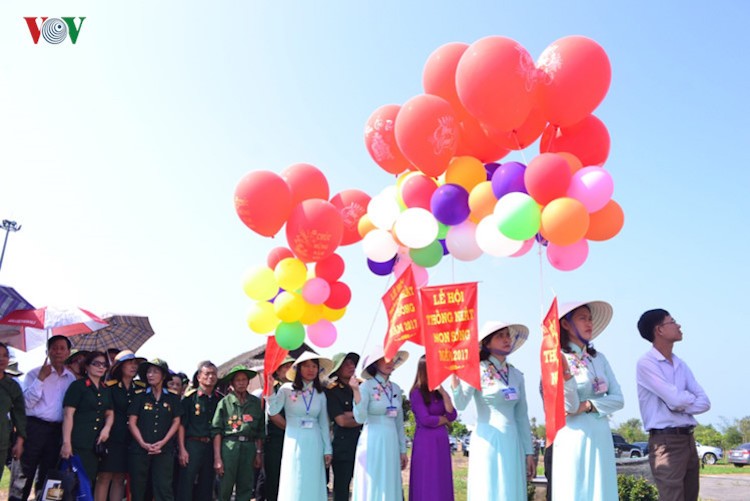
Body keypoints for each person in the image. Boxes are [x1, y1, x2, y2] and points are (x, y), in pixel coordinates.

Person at [451, 321, 535, 501]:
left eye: (508, 335)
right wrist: (455, 380)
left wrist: (529, 451)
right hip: (487, 439)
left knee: (510, 488)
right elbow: (461, 403)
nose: (506, 339)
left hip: (513, 440)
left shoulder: (516, 375)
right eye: (500, 336)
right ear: (487, 343)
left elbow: (522, 416)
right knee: (489, 488)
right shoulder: (475, 370)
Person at [552, 301, 623, 501]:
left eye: (590, 318)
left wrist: (590, 405)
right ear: (566, 324)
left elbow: (618, 399)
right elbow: (570, 407)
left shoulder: (599, 359)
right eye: (582, 318)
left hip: (601, 433)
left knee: (602, 489)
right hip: (573, 435)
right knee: (576, 488)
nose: (588, 323)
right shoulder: (557, 358)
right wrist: (566, 375)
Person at [636, 309, 710, 501]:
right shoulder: (647, 363)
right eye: (673, 321)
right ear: (659, 330)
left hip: (688, 439)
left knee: (690, 496)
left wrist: (679, 402)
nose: (678, 325)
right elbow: (675, 400)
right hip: (666, 442)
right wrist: (679, 400)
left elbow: (704, 402)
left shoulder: (680, 364)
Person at [10, 335, 76, 501]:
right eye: (54, 348)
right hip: (34, 427)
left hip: (56, 431)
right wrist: (41, 379)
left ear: (68, 352)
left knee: (49, 476)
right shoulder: (35, 373)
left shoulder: (71, 378)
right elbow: (26, 404)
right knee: (23, 475)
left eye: (62, 348)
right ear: (47, 351)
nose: (58, 352)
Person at [267, 351, 333, 501]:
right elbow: (273, 410)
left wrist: (327, 448)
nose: (311, 370)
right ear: (298, 369)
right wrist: (270, 390)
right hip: (294, 440)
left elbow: (324, 423)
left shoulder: (320, 394)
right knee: (295, 477)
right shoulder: (286, 389)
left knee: (313, 478)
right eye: (307, 366)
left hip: (315, 441)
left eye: (314, 366)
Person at [349, 345, 409, 501]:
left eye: (392, 358)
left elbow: (399, 422)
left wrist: (403, 450)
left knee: (390, 479)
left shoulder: (395, 388)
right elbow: (360, 418)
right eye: (385, 359)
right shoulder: (366, 386)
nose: (390, 362)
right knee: (373, 479)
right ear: (375, 363)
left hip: (391, 441)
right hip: (372, 440)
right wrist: (356, 391)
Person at [127, 359, 183, 501]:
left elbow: (176, 421)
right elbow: (132, 422)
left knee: (164, 488)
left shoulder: (172, 397)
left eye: (155, 372)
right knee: (138, 489)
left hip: (164, 451)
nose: (150, 375)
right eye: (148, 372)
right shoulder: (139, 396)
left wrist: (163, 442)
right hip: (140, 450)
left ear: (163, 376)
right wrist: (143, 443)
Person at [97, 350, 146, 501]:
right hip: (112, 436)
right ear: (119, 366)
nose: (133, 366)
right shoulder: (109, 387)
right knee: (105, 476)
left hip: (132, 438)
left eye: (135, 363)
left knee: (120, 477)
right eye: (129, 363)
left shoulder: (140, 387)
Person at [61, 351, 114, 485]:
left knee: (88, 482)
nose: (101, 367)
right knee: (72, 483)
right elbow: (68, 414)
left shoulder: (105, 389)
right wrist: (66, 442)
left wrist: (106, 429)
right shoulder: (78, 386)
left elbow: (110, 413)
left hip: (95, 443)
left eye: (104, 364)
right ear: (87, 366)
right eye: (96, 364)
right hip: (77, 441)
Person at [212, 365, 265, 501]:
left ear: (248, 382)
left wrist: (258, 453)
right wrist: (218, 458)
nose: (241, 383)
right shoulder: (224, 403)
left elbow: (260, 431)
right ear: (232, 383)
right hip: (229, 446)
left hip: (249, 447)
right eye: (238, 380)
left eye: (244, 380)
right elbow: (216, 430)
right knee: (225, 486)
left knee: (246, 486)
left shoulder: (255, 403)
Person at [409, 355, 457, 501]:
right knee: (427, 478)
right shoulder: (416, 392)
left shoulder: (439, 392)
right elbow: (426, 420)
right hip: (426, 442)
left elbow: (452, 414)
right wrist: (443, 419)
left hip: (441, 441)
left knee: (441, 477)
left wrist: (443, 392)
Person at [177, 361, 220, 501]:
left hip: (211, 446)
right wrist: (182, 449)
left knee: (207, 484)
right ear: (199, 377)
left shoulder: (220, 399)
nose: (211, 377)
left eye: (214, 374)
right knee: (186, 483)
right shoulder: (189, 399)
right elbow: (181, 425)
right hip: (192, 445)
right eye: (207, 373)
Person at [325, 352, 362, 501]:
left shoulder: (362, 386)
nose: (351, 366)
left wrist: (353, 415)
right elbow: (342, 421)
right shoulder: (332, 390)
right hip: (343, 446)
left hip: (363, 443)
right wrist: (362, 417)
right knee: (341, 488)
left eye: (352, 363)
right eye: (346, 364)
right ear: (338, 369)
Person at [261, 355, 295, 501]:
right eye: (285, 367)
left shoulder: (298, 388)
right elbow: (273, 416)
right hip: (276, 439)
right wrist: (293, 429)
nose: (289, 370)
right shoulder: (272, 389)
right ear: (278, 371)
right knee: (274, 478)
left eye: (292, 367)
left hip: (295, 439)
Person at [0, 342, 26, 482]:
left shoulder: (12, 386)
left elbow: (20, 415)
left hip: (2, 440)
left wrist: (20, 441)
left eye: (5, 356)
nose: (1, 359)